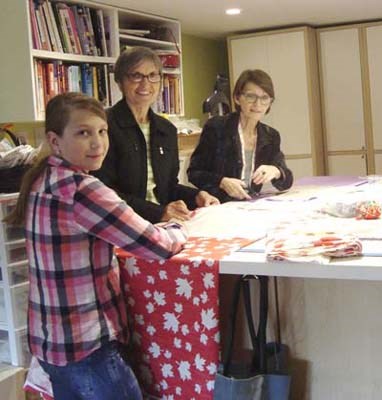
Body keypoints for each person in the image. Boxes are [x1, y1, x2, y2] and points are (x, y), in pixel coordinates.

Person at [3, 93, 188, 399]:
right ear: (55, 140)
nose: (97, 142)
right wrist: (179, 229)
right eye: (83, 133)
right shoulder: (81, 190)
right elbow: (157, 245)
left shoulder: (40, 180)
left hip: (52, 343)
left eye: (102, 132)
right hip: (88, 345)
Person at [93, 46, 219, 224]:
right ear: (120, 81)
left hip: (163, 224)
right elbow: (103, 192)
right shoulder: (103, 126)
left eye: (153, 76)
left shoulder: (166, 129)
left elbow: (168, 187)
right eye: (136, 76)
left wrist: (198, 196)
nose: (146, 84)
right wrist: (158, 213)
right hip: (122, 226)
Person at [187, 69, 293, 203]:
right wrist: (222, 182)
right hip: (217, 205)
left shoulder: (271, 136)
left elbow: (286, 182)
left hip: (250, 206)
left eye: (264, 98)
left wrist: (276, 171)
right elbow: (194, 173)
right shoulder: (216, 127)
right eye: (250, 96)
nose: (257, 104)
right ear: (237, 98)